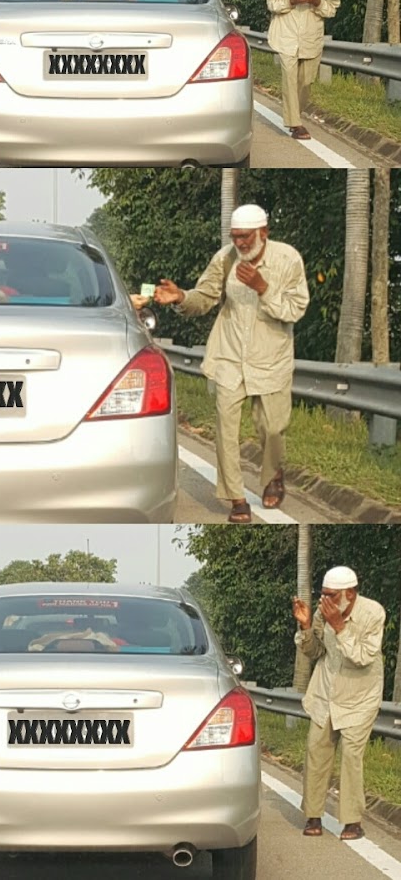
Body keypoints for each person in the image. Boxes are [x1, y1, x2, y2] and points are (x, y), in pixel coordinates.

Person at [134, 203, 309, 522]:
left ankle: (272, 475)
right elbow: (205, 298)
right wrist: (182, 298)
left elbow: (295, 310)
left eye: (246, 236)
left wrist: (263, 288)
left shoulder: (288, 260)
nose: (240, 243)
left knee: (272, 428)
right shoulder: (225, 258)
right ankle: (236, 498)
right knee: (226, 430)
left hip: (271, 358)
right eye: (235, 236)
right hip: (228, 356)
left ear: (264, 233)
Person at [292, 567, 385, 840]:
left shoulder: (373, 613)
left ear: (350, 593)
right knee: (315, 751)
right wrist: (306, 626)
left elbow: (363, 657)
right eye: (323, 595)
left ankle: (352, 821)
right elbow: (314, 652)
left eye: (331, 595)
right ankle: (313, 815)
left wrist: (340, 627)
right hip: (325, 692)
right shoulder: (322, 612)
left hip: (360, 696)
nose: (326, 601)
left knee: (352, 757)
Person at [267, 0, 340, 140]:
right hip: (286, 35)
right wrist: (291, 0)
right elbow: (272, 2)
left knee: (306, 81)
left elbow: (332, 8)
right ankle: (295, 124)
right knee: (289, 78)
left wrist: (316, 1)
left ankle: (295, 114)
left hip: (311, 38)